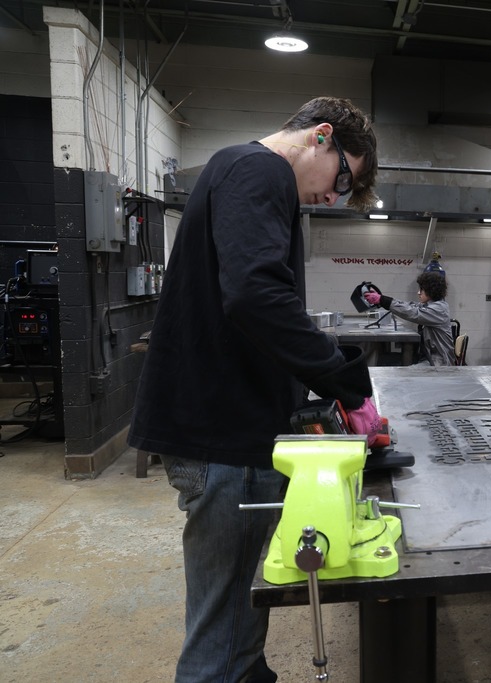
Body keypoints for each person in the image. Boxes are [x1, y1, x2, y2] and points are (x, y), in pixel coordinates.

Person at [128, 96, 379, 683]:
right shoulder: (259, 169)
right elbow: (255, 295)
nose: (334, 197)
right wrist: (343, 381)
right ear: (322, 137)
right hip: (225, 436)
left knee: (236, 622)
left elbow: (253, 298)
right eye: (344, 179)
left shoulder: (235, 170)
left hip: (222, 429)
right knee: (222, 635)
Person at [364, 271, 456, 366]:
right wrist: (382, 299)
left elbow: (413, 312)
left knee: (405, 374)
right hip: (430, 358)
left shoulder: (439, 309)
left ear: (431, 290)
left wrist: (382, 300)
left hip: (439, 363)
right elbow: (408, 306)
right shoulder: (431, 305)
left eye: (422, 289)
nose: (418, 293)